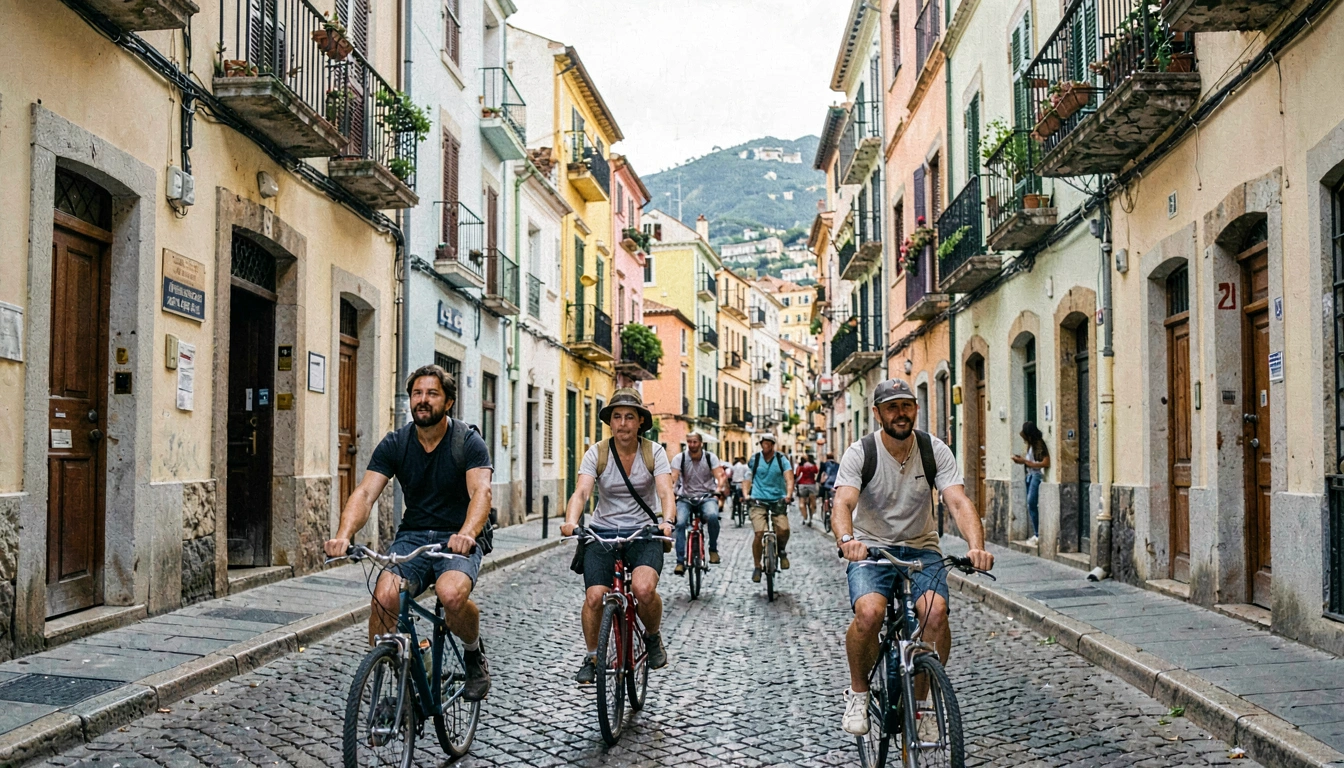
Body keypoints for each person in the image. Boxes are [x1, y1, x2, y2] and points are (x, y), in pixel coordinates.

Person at [833, 378, 994, 736]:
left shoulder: (934, 450)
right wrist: (848, 540)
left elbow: (957, 501)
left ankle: (920, 710)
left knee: (935, 613)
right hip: (872, 548)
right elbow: (843, 502)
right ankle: (859, 693)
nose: (900, 413)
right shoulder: (862, 452)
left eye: (906, 405)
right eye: (892, 407)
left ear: (916, 409)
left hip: (922, 547)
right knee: (870, 613)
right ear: (878, 414)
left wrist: (976, 546)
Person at [324, 364, 494, 701]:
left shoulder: (467, 441)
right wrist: (343, 535)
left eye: (432, 393)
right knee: (384, 597)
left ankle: (474, 654)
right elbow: (365, 493)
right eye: (417, 393)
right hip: (414, 535)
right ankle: (389, 682)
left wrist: (467, 534)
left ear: (448, 402)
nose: (423, 400)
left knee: (451, 596)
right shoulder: (396, 443)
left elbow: (482, 493)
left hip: (458, 537)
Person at [560, 388, 676, 684]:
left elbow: (665, 491)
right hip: (603, 532)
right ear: (610, 422)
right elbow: (582, 490)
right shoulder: (597, 452)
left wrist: (667, 521)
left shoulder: (654, 452)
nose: (623, 423)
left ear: (640, 422)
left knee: (643, 589)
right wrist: (571, 521)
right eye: (617, 417)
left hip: (644, 532)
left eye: (629, 417)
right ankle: (592, 656)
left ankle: (652, 636)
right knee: (595, 596)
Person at [670, 432, 729, 573]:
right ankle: (680, 561)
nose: (692, 445)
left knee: (713, 516)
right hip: (686, 497)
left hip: (706, 496)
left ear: (701, 443)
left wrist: (719, 489)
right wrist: (671, 492)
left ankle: (713, 550)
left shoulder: (710, 458)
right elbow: (674, 477)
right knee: (680, 523)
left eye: (695, 442)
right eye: (689, 442)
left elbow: (719, 476)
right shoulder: (680, 458)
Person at [742, 433, 794, 583]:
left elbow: (789, 478)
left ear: (773, 444)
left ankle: (782, 550)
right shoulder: (755, 459)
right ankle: (757, 566)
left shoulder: (781, 459)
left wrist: (789, 494)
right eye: (763, 443)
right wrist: (746, 494)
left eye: (768, 443)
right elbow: (748, 477)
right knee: (759, 533)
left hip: (778, 499)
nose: (766, 445)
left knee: (784, 529)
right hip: (758, 500)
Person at [1011, 421, 1051, 545]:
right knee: (1031, 504)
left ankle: (1038, 535)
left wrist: (1025, 462)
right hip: (1029, 476)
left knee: (1031, 503)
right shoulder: (1030, 446)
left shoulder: (1039, 444)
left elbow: (1046, 462)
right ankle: (1036, 533)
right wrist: (1022, 460)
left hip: (1036, 476)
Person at [795, 454, 820, 525]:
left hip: (802, 485)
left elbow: (797, 474)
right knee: (812, 503)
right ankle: (811, 518)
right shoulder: (813, 466)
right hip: (812, 484)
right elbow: (816, 471)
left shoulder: (800, 466)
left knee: (802, 503)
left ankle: (805, 518)